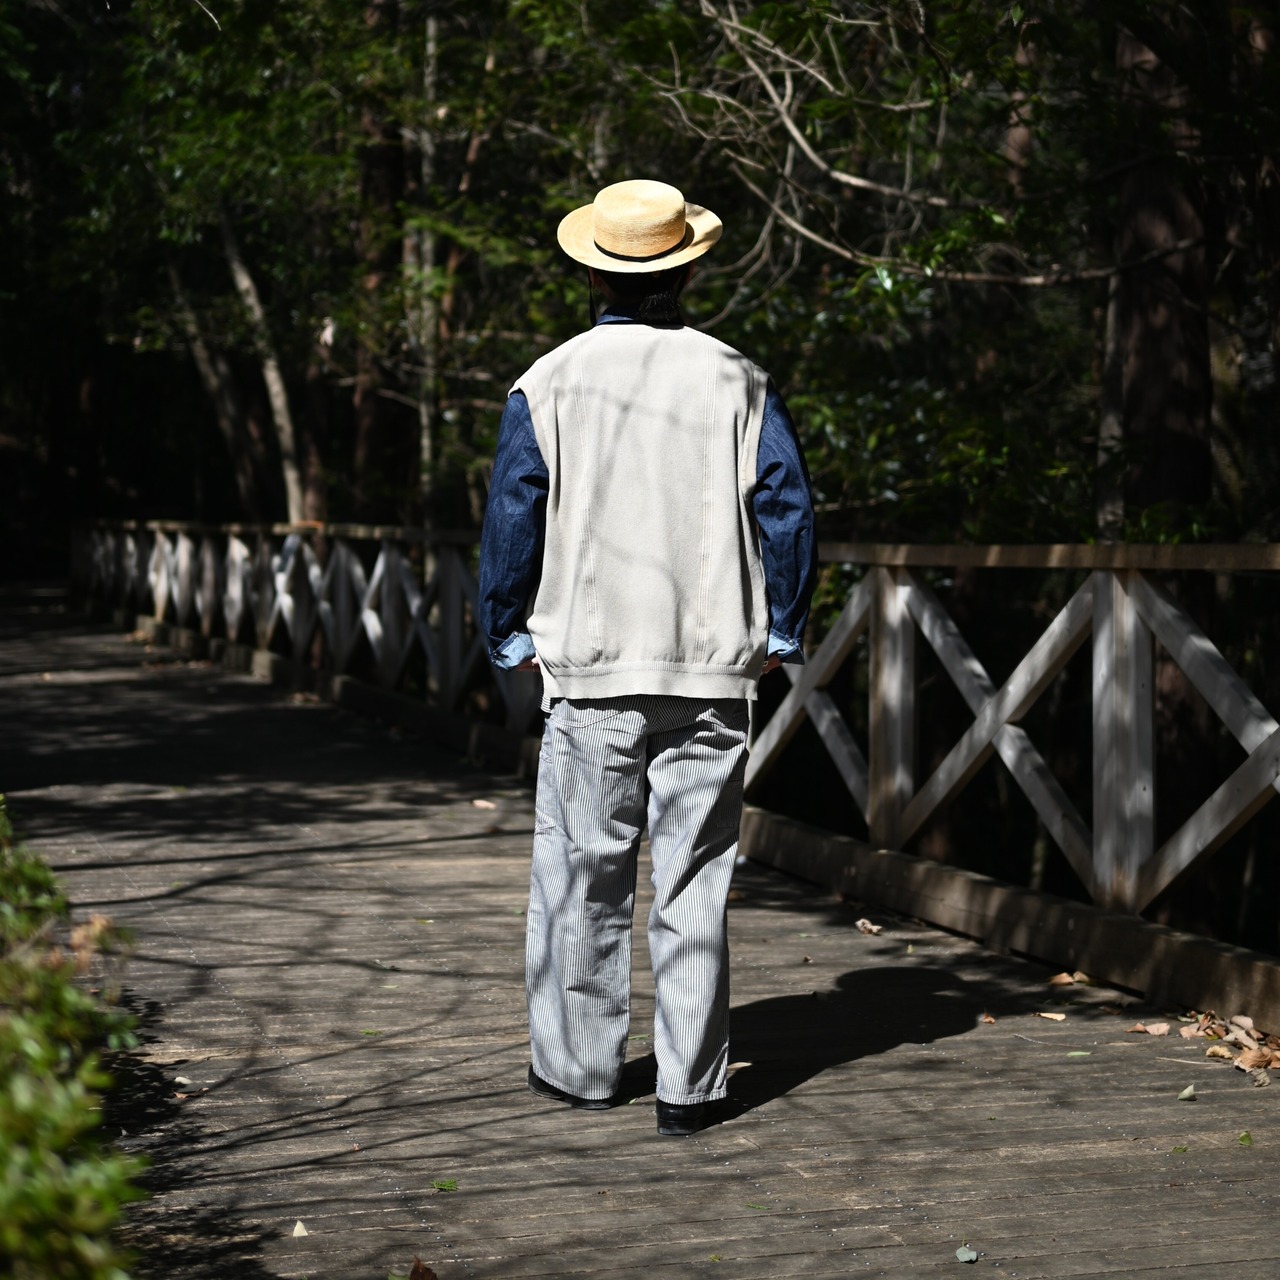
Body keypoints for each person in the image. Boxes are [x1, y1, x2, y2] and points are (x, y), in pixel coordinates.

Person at [478, 178, 815, 1136]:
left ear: (589, 267)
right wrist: (780, 632)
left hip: (589, 675)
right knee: (693, 884)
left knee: (582, 879)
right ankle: (691, 1087)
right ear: (690, 266)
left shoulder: (548, 381)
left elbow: (513, 520)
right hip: (712, 672)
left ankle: (582, 1071)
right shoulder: (738, 378)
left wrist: (507, 636)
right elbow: (786, 511)